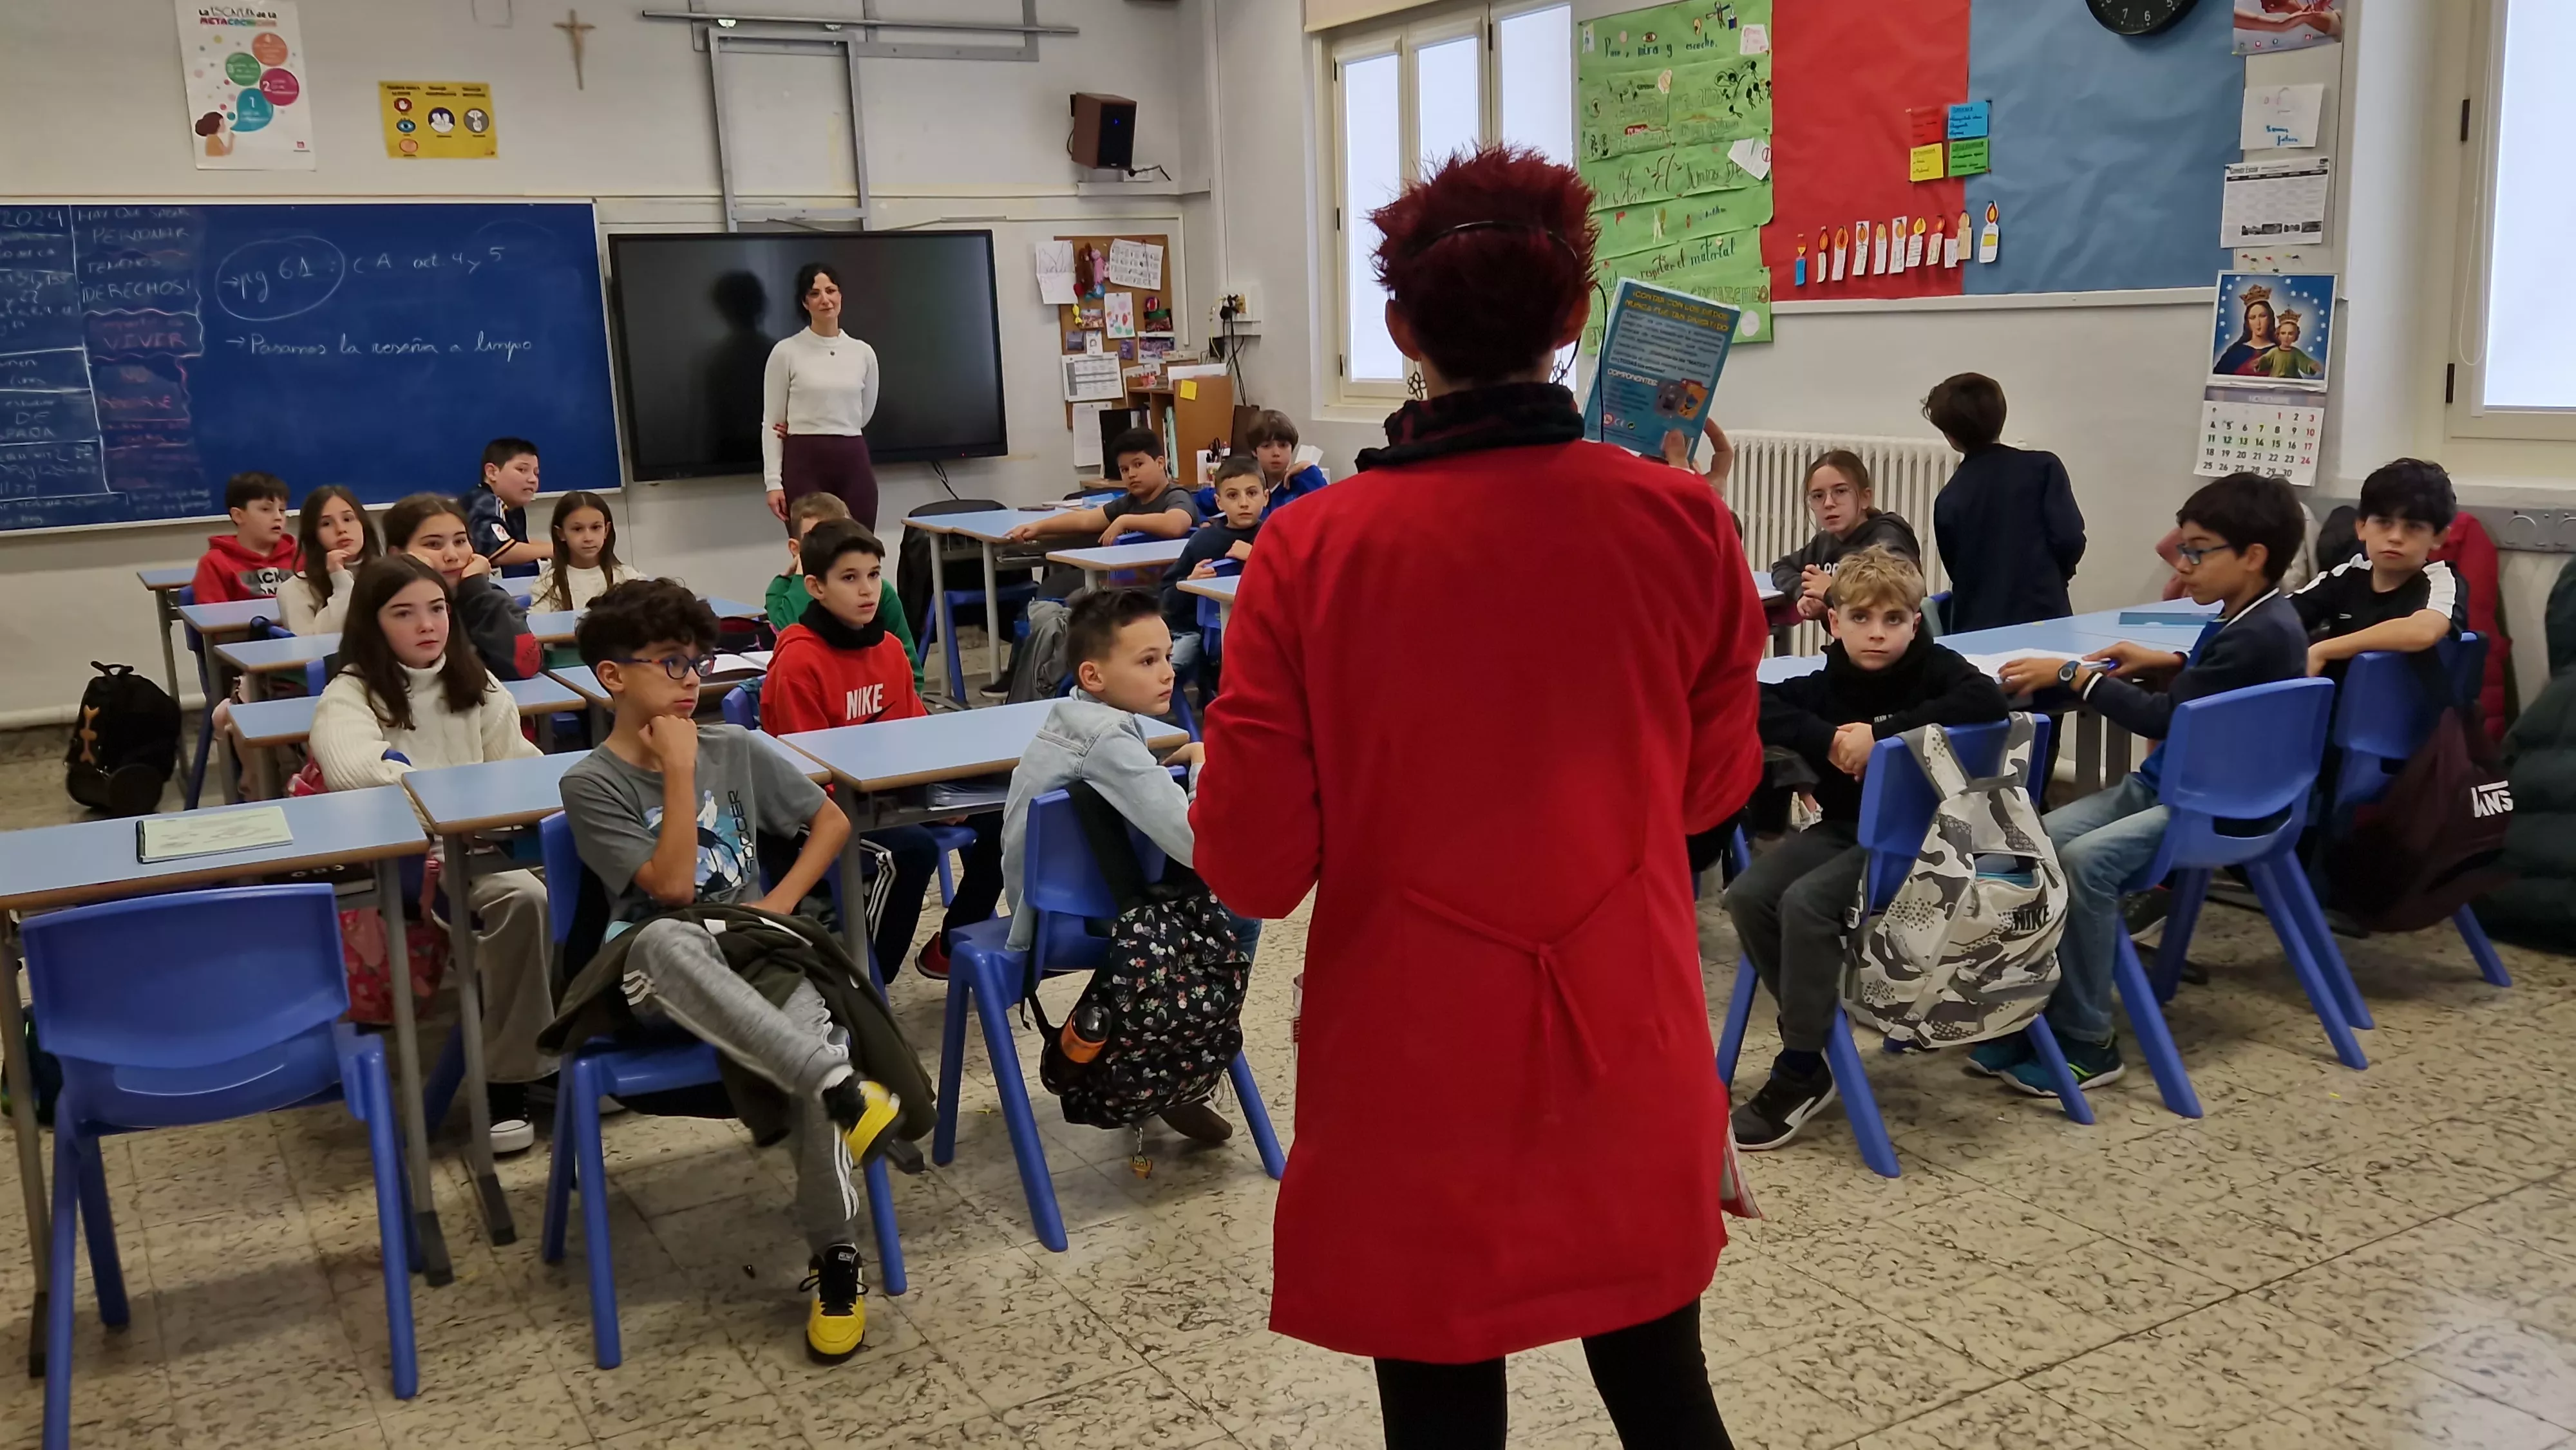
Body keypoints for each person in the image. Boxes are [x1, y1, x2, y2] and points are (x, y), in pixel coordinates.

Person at [1191, 144, 1763, 1447]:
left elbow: (1255, 863)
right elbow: (1711, 790)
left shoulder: (1310, 545)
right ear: (1575, 322)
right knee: (1664, 1389)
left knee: (1440, 1411)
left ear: (1401, 330)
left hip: (1410, 1044)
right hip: (1624, 1016)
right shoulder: (1681, 521)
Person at [558, 578, 896, 1362]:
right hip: (659, 967)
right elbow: (672, 892)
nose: (691, 680)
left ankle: (837, 1255)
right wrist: (678, 772)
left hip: (753, 947)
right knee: (666, 940)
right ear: (613, 675)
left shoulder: (736, 747)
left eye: (697, 663)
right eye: (671, 664)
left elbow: (832, 818)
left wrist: (776, 903)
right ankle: (839, 1087)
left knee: (818, 1034)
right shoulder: (591, 783)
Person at [1991, 473, 2310, 1095]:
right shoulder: (2261, 619)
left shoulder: (2257, 633)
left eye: (2198, 551)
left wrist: (2075, 676)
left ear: (2253, 557)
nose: (2183, 564)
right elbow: (2216, 685)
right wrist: (2171, 662)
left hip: (2205, 805)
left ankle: (2088, 1041)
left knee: (2083, 864)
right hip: (2195, 787)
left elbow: (2171, 720)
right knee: (2039, 842)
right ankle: (2037, 1012)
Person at [1725, 548, 2009, 1149]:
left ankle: (1800, 1065)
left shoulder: (1936, 669)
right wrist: (1829, 742)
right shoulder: (1828, 683)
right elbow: (1750, 702)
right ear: (1834, 622)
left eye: (1894, 620)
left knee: (1806, 904)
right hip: (1850, 829)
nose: (1877, 634)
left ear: (1916, 621)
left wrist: (1880, 735)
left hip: (1927, 845)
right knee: (1749, 894)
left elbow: (1986, 702)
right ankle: (1818, 1034)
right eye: (1861, 619)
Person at [310, 556, 554, 1154]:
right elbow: (356, 771)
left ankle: (578, 1043)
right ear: (374, 623)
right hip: (427, 867)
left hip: (494, 845)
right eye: (404, 613)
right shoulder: (350, 694)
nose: (427, 624)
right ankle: (508, 1080)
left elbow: (517, 767)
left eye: (438, 608)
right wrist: (442, 805)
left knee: (596, 868)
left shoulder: (476, 681)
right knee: (525, 899)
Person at [1001, 587, 1249, 1144]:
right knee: (1236, 915)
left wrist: (1165, 764)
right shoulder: (1110, 740)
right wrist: (1205, 767)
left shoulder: (1077, 723)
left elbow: (1114, 777)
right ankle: (1183, 1070)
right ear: (1092, 675)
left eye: (1166, 656)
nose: (1168, 672)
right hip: (1075, 931)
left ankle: (1166, 1066)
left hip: (1046, 919)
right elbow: (1195, 845)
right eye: (1147, 661)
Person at [759, 518, 1004, 981]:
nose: (867, 590)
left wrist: (939, 792)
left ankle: (952, 946)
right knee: (908, 852)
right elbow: (807, 776)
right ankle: (866, 980)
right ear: (815, 586)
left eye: (873, 575)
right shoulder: (797, 662)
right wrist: (904, 800)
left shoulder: (889, 648)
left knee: (1006, 814)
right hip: (825, 807)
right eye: (849, 578)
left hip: (891, 794)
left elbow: (914, 736)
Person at [1924, 372, 2087, 633]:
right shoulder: (2044, 467)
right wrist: (2053, 579)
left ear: (1950, 437)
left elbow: (1957, 568)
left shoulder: (1948, 498)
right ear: (2002, 415)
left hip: (1977, 627)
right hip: (2044, 613)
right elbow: (2069, 540)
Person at [2293, 458, 2466, 679]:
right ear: (2361, 527)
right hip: (2334, 706)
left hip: (2406, 710)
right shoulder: (2347, 574)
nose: (2395, 537)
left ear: (2438, 537)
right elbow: (2284, 616)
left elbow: (2423, 631)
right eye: (2384, 523)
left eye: (2413, 527)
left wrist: (2323, 650)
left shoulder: (2441, 580)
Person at [762, 262, 882, 531]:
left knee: (860, 547)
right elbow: (772, 422)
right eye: (815, 293)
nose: (825, 300)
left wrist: (833, 420)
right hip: (804, 463)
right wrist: (773, 482)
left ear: (841, 296)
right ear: (805, 302)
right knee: (814, 553)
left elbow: (863, 414)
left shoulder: (863, 352)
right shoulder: (786, 352)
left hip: (853, 460)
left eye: (831, 290)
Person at [767, 491, 918, 688]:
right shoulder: (780, 591)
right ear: (796, 548)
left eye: (843, 532)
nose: (837, 544)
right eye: (819, 536)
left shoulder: (881, 594)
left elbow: (912, 672)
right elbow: (794, 635)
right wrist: (802, 574)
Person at [383, 493, 540, 679]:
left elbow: (526, 667)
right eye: (433, 544)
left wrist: (476, 587)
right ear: (397, 555)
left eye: (460, 541)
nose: (452, 556)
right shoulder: (385, 605)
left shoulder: (490, 597)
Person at [1768, 451, 1920, 623]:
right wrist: (1805, 593)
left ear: (1865, 498)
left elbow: (1892, 596)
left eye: (1840, 491)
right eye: (1818, 496)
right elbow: (1783, 567)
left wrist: (1831, 592)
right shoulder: (1825, 541)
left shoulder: (1887, 538)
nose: (1828, 503)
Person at [1162, 456, 1265, 693]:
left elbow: (1298, 583)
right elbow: (1166, 598)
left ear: (1266, 496)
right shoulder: (1203, 541)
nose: (1244, 503)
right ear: (1218, 502)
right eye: (1232, 496)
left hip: (1260, 634)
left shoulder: (1276, 537)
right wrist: (1188, 584)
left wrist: (1257, 556)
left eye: (1252, 493)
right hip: (1206, 638)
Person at [1005, 429, 1200, 549]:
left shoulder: (1175, 496)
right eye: (1124, 469)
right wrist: (1037, 528)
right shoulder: (1131, 500)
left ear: (1160, 463)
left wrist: (1125, 520)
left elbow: (1175, 525)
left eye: (1138, 465)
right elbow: (1085, 520)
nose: (1131, 474)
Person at [278, 485, 380, 636]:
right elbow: (313, 648)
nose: (341, 529)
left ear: (363, 524)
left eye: (348, 519)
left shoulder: (388, 575)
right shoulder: (295, 589)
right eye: (326, 524)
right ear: (313, 535)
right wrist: (341, 584)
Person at [191, 471, 300, 605]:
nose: (278, 517)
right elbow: (213, 619)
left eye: (282, 510)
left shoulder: (300, 557)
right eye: (266, 509)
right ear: (238, 516)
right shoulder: (214, 563)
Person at [1196, 409, 1329, 517]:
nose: (1276, 453)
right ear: (1254, 451)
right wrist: (1203, 522)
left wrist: (1308, 468)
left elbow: (1328, 507)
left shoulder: (1301, 484)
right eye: (1266, 446)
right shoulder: (1242, 483)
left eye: (1283, 446)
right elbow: (1195, 502)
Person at [531, 491, 640, 612]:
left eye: (596, 527)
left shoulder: (628, 578)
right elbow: (538, 628)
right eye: (577, 529)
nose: (588, 538)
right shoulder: (548, 584)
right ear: (561, 534)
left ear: (606, 530)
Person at [466, 437, 548, 570]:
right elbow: (500, 552)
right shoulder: (485, 501)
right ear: (492, 472)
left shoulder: (514, 507)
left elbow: (520, 544)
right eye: (522, 470)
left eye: (536, 473)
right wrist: (558, 550)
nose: (533, 479)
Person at [2214, 285, 2280, 377]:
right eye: (2253, 318)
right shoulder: (2235, 352)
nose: (2258, 322)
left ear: (2270, 319)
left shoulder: (2281, 352)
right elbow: (2217, 381)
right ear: (2248, 323)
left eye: (2262, 316)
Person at [2253, 309, 2324, 382]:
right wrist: (2259, 363)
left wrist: (2312, 365)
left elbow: (2304, 361)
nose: (2286, 337)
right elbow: (2266, 360)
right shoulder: (2274, 352)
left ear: (2295, 336)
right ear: (2278, 335)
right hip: (2275, 381)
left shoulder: (2296, 353)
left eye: (2290, 334)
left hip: (2292, 383)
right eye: (2283, 333)